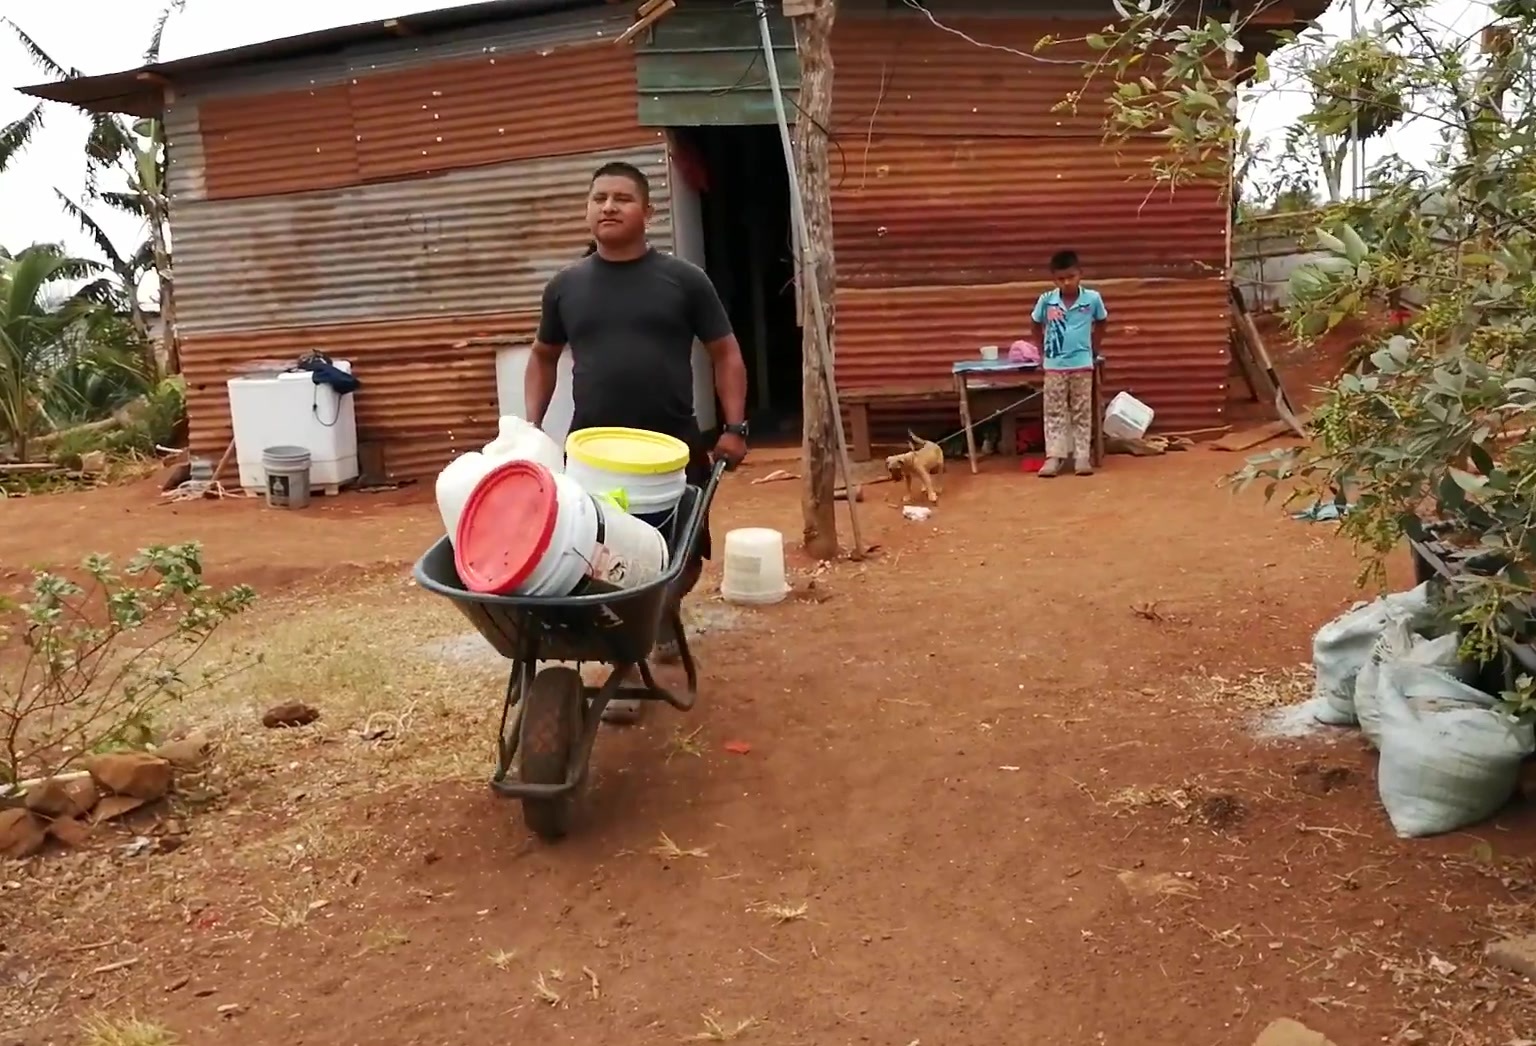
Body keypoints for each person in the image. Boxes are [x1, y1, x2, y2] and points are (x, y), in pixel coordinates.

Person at [525, 160, 750, 724]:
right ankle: (626, 658)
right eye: (598, 197)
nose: (608, 207)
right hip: (594, 459)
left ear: (648, 212)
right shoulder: (567, 286)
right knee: (596, 559)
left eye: (622, 198)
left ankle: (657, 617)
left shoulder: (683, 280)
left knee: (684, 556)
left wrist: (735, 426)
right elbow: (542, 356)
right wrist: (530, 429)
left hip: (672, 449)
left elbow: (725, 351)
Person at [1030, 249, 1107, 477]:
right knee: (1054, 411)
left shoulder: (1092, 299)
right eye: (1061, 279)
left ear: (1080, 274)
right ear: (1054, 279)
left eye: (1070, 277)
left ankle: (1082, 456)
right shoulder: (1047, 300)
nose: (1066, 283)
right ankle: (1054, 456)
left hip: (1082, 363)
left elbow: (1102, 322)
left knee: (1082, 410)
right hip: (1054, 365)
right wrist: (1042, 351)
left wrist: (1094, 349)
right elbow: (1035, 324)